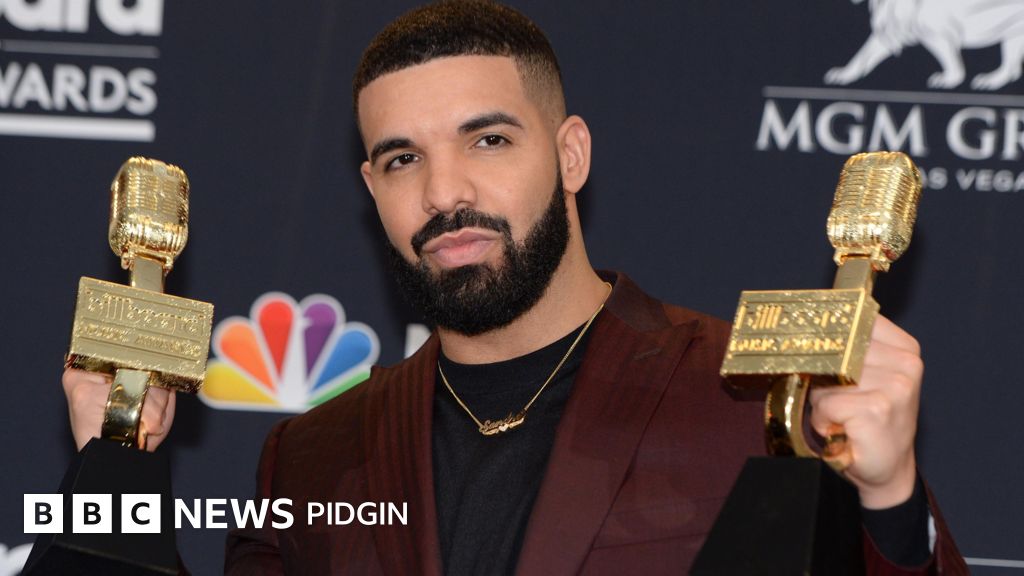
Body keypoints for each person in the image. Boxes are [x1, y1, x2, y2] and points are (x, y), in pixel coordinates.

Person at [63, 1, 967, 573]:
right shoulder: (307, 456)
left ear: (570, 155)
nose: (445, 192)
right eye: (402, 159)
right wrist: (114, 462)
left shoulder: (751, 395)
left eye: (488, 140)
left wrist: (890, 503)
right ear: (372, 189)